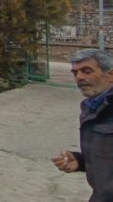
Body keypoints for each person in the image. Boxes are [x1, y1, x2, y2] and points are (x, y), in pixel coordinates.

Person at [51, 48, 113, 202]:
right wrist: (80, 161)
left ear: (110, 75)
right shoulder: (90, 107)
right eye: (75, 73)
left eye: (87, 71)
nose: (79, 77)